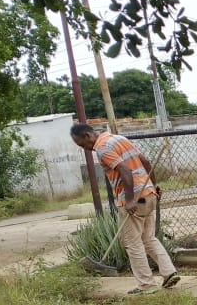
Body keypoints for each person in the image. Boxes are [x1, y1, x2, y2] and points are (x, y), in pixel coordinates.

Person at [70, 123, 179, 293]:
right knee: (148, 238)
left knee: (132, 242)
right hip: (147, 195)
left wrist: (129, 200)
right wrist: (153, 186)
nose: (85, 148)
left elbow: (125, 171)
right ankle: (169, 272)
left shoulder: (102, 148)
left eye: (82, 144)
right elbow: (145, 162)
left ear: (87, 135)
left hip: (134, 199)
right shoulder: (117, 138)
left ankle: (146, 285)